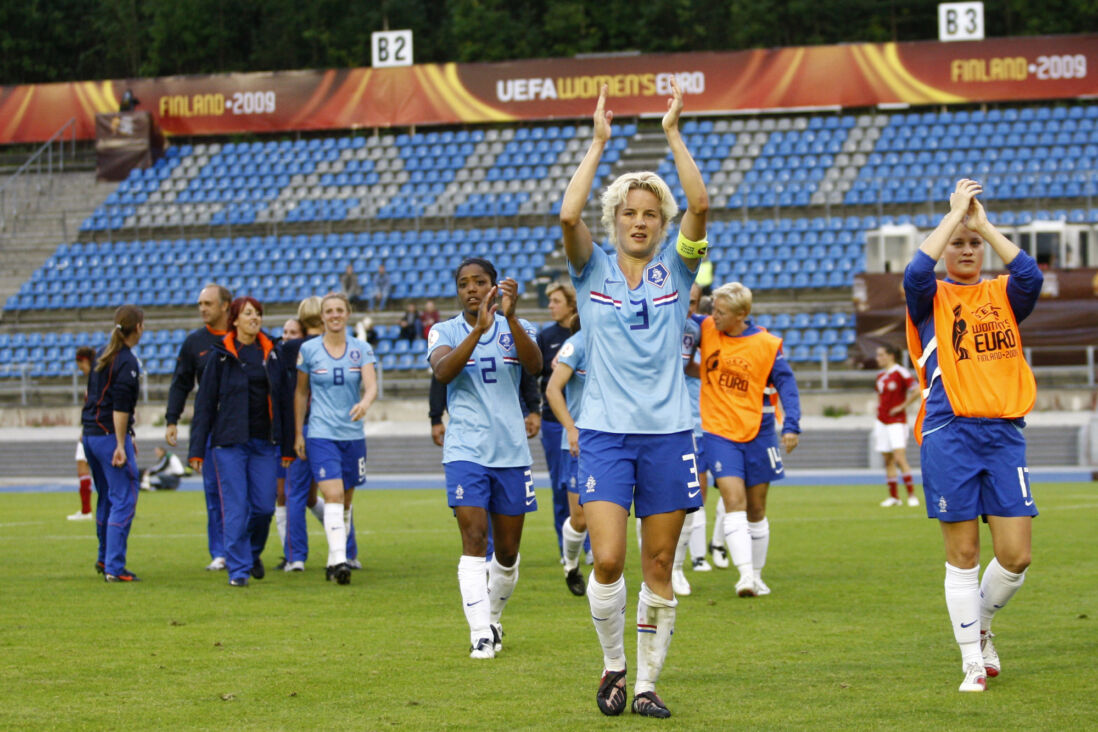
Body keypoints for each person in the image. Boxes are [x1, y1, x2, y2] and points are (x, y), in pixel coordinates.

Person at [559, 79, 707, 718]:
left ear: (661, 223)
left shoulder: (678, 268)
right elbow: (567, 216)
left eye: (650, 213)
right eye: (630, 213)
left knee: (660, 563)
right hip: (606, 433)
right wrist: (597, 145)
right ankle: (612, 664)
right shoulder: (588, 270)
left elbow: (702, 202)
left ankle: (645, 684)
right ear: (614, 220)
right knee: (610, 556)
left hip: (670, 433)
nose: (640, 222)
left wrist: (673, 134)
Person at [903, 178, 1042, 693]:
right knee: (963, 555)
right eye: (957, 243)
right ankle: (970, 662)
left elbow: (1029, 273)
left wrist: (982, 222)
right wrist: (954, 215)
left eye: (972, 243)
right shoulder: (929, 297)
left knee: (1016, 556)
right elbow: (916, 269)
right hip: (950, 431)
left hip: (1005, 433)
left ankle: (980, 627)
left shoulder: (1004, 293)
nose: (964, 250)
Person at [427, 258, 542, 659]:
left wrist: (507, 320)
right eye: (464, 284)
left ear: (495, 287)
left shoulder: (521, 328)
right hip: (466, 452)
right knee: (474, 540)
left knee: (507, 554)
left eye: (480, 282)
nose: (471, 289)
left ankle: (492, 617)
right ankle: (479, 634)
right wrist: (478, 331)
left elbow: (535, 365)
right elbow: (442, 372)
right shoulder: (444, 331)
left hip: (511, 452)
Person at [698, 282, 801, 599]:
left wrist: (792, 426)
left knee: (757, 508)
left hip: (759, 431)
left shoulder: (767, 344)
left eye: (722, 312)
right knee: (733, 501)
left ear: (742, 314)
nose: (714, 316)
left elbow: (787, 384)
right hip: (718, 431)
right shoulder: (706, 328)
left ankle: (756, 575)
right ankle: (743, 577)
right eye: (713, 309)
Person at [189, 296, 294, 588]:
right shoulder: (220, 355)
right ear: (235, 319)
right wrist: (197, 449)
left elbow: (284, 402)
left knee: (263, 508)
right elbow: (205, 404)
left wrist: (286, 446)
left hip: (264, 443)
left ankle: (251, 552)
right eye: (248, 314)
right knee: (235, 508)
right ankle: (238, 571)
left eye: (258, 314)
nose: (254, 318)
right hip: (229, 444)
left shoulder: (272, 353)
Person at [294, 292, 378, 585]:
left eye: (339, 310)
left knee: (345, 502)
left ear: (347, 313)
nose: (334, 315)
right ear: (322, 316)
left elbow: (371, 386)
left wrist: (365, 403)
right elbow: (301, 393)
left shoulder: (361, 349)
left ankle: (333, 560)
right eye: (328, 311)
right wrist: (297, 433)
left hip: (352, 436)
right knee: (332, 494)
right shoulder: (309, 349)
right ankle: (341, 560)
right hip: (321, 434)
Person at [165, 283, 232, 571]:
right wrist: (172, 419)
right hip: (212, 430)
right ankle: (220, 552)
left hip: (247, 428)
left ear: (226, 306)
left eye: (208, 303)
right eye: (200, 304)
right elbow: (181, 383)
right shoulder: (195, 343)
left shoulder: (243, 337)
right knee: (215, 493)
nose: (203, 309)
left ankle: (245, 547)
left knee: (253, 497)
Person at [82, 305, 144, 582]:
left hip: (91, 434)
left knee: (106, 495)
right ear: (138, 327)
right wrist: (122, 443)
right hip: (108, 437)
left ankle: (104, 555)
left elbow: (92, 397)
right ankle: (114, 567)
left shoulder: (102, 356)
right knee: (124, 497)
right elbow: (120, 407)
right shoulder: (127, 362)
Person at [544, 314, 589, 597]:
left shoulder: (621, 342)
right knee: (581, 517)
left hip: (614, 441)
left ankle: (606, 578)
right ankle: (571, 563)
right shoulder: (577, 345)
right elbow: (552, 389)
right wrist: (571, 428)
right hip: (579, 443)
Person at [536, 282, 578, 561]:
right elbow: (534, 375)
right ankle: (566, 547)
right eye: (550, 301)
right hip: (553, 421)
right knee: (560, 485)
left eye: (556, 301)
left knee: (586, 486)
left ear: (571, 304)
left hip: (585, 420)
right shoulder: (546, 337)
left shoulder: (585, 333)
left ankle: (586, 544)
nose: (551, 305)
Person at [874, 343, 921, 507]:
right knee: (887, 460)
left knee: (900, 458)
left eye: (881, 355)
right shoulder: (880, 376)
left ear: (890, 355)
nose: (878, 358)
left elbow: (917, 390)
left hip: (897, 422)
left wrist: (902, 406)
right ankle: (894, 497)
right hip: (882, 421)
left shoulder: (901, 372)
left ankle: (912, 495)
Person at [68, 346, 97, 521]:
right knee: (82, 464)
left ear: (84, 361)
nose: (80, 369)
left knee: (85, 466)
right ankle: (86, 510)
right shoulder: (94, 379)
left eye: (80, 365)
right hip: (89, 429)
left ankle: (87, 511)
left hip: (94, 431)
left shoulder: (96, 379)